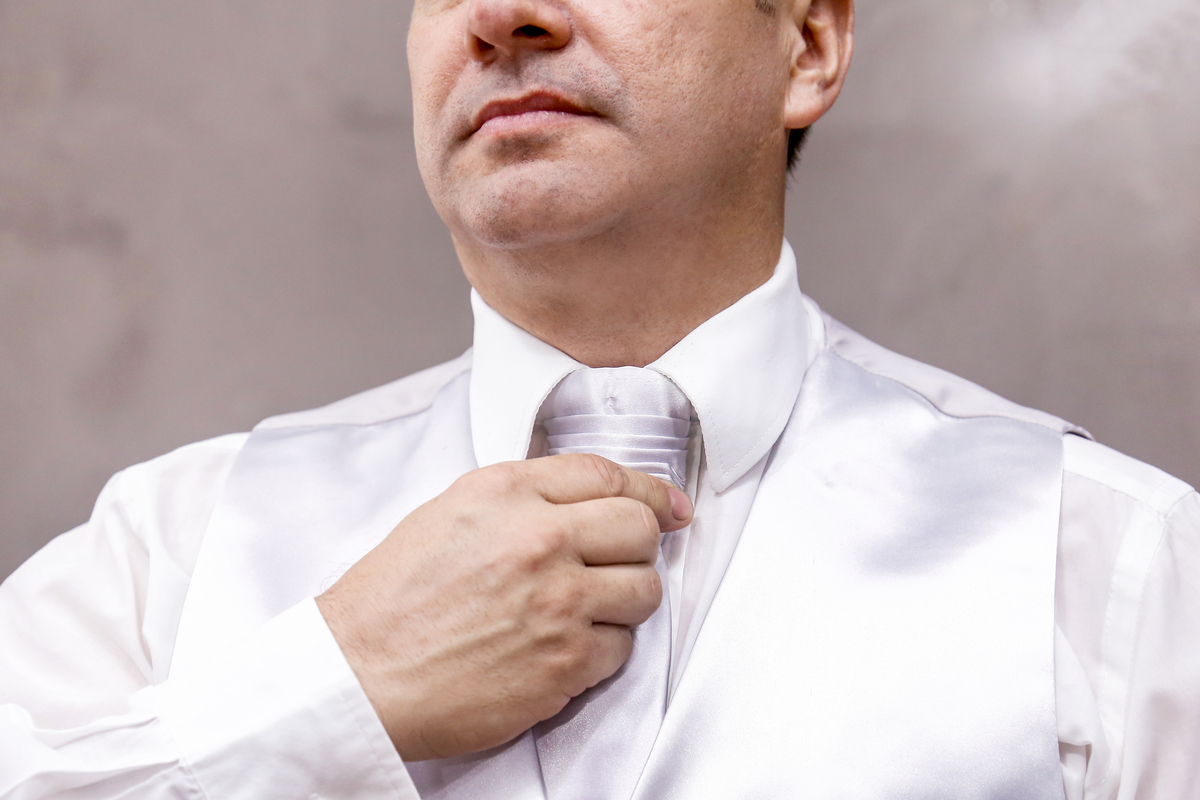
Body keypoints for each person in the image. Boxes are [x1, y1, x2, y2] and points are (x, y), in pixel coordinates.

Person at [1, 0, 1197, 797]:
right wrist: (337, 687)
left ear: (807, 46)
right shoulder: (163, 553)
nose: (500, 14)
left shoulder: (1119, 569)